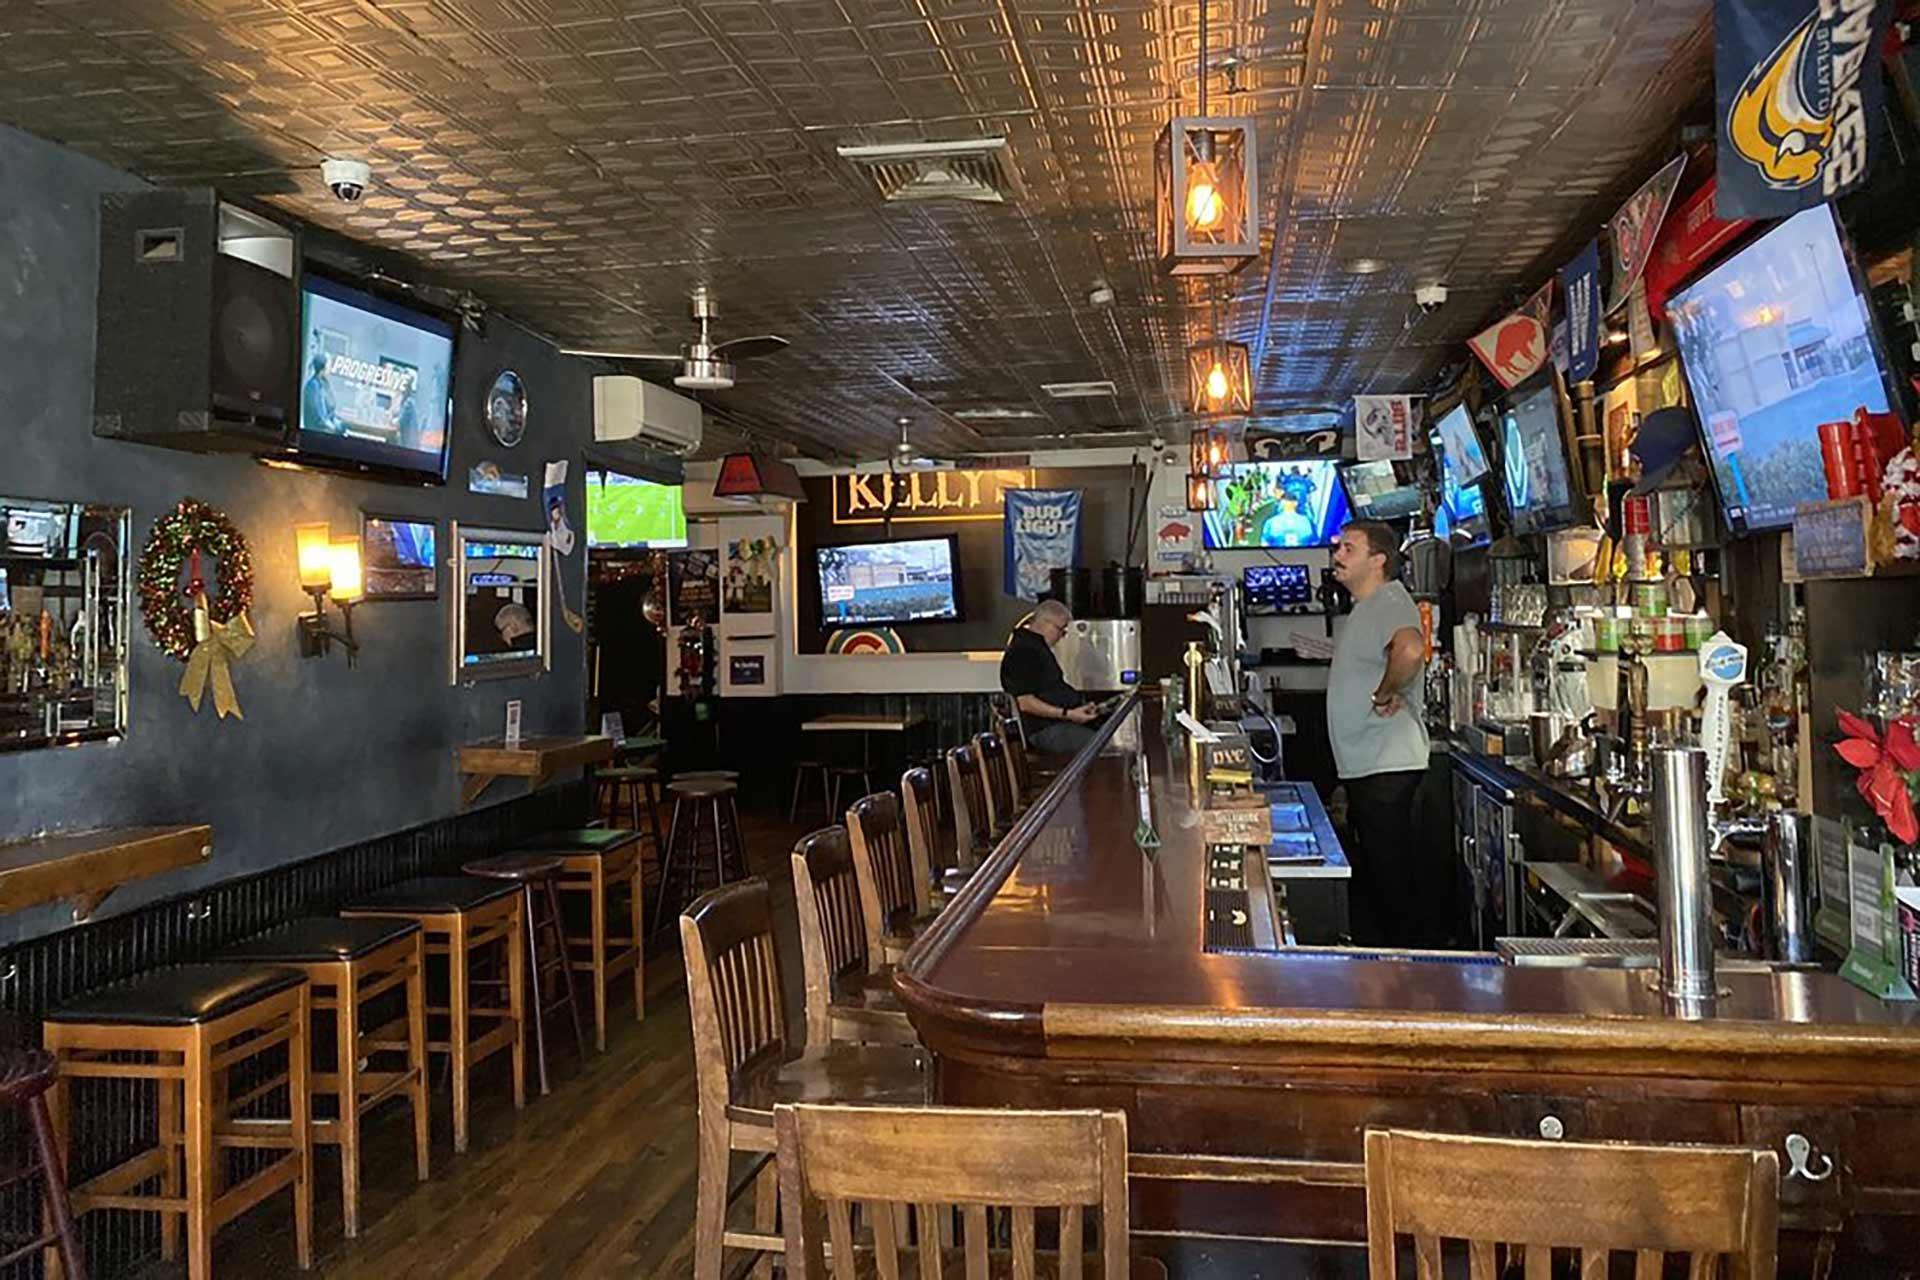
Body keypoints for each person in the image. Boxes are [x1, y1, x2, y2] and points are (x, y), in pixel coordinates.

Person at [1326, 520, 1430, 945]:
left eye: (1349, 549)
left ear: (1379, 560)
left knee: (1391, 882)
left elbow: (1410, 648)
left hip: (1386, 762)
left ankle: (1406, 978)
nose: (1337, 556)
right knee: (1380, 875)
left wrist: (1385, 691)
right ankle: (1389, 972)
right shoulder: (1367, 606)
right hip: (1370, 764)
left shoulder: (1388, 600)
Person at [1000, 599, 1099, 754]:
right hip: (1045, 729)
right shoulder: (1023, 652)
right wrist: (1068, 714)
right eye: (1061, 629)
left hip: (1057, 724)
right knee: (1105, 746)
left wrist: (1078, 708)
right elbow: (1026, 703)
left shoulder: (1035, 648)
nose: (1062, 636)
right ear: (1046, 623)